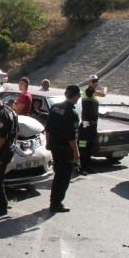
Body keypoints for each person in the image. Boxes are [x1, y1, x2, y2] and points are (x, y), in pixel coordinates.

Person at [45, 85, 81, 213]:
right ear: (75, 96)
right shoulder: (71, 113)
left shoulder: (55, 108)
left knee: (58, 174)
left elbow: (47, 127)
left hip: (55, 145)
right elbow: (71, 136)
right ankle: (56, 203)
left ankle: (54, 200)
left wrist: (48, 142)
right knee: (64, 176)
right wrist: (76, 152)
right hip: (65, 148)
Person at [77, 87, 99, 175]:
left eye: (96, 82)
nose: (95, 84)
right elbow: (103, 94)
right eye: (93, 82)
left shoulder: (94, 98)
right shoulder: (87, 91)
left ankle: (86, 167)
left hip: (93, 126)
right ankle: (79, 167)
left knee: (89, 148)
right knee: (82, 148)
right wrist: (105, 89)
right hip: (85, 127)